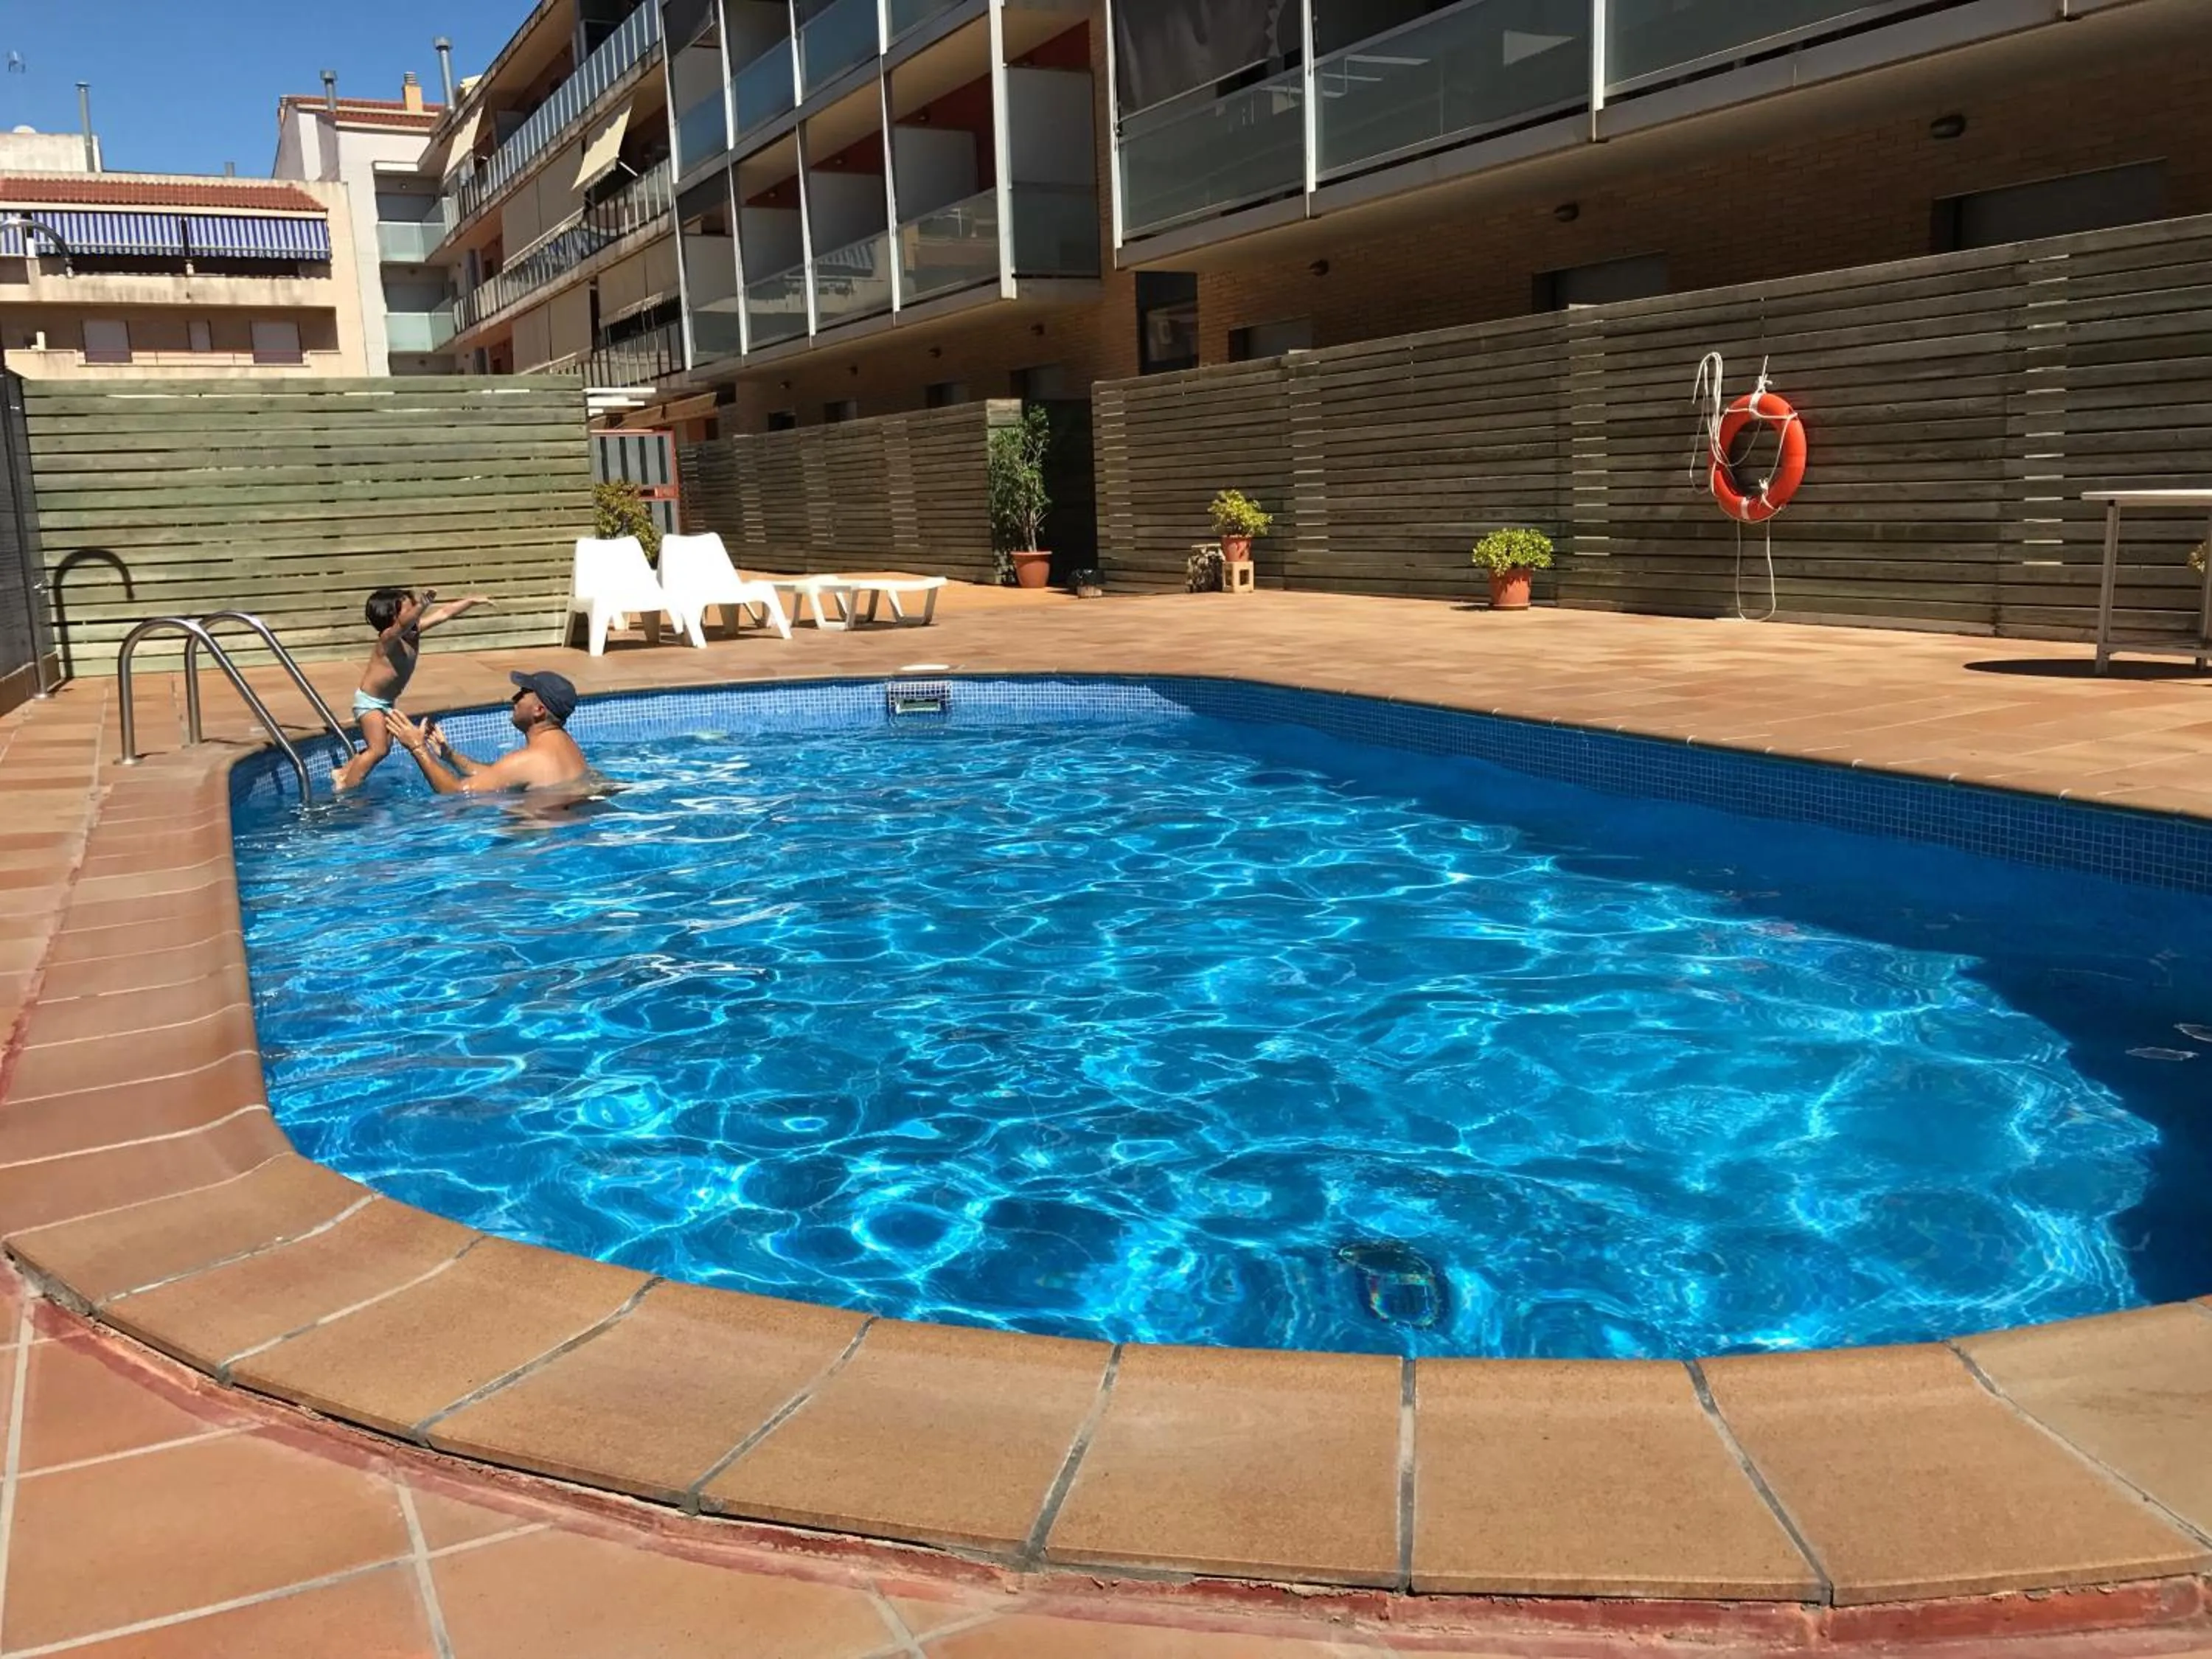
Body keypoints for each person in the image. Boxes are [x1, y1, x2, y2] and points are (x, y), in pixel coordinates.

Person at [334, 587, 493, 792]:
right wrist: (422, 605)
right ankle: (346, 787)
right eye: (409, 611)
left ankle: (343, 771)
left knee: (385, 747)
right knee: (378, 749)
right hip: (370, 702)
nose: (415, 617)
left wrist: (471, 601)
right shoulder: (388, 639)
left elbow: (444, 613)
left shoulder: (413, 632)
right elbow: (402, 624)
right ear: (391, 617)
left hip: (387, 702)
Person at [384, 670, 590, 796]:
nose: (514, 699)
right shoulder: (568, 746)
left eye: (522, 694)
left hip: (531, 851)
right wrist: (450, 756)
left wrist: (417, 747)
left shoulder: (529, 759)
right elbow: (500, 776)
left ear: (539, 710)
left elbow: (455, 793)